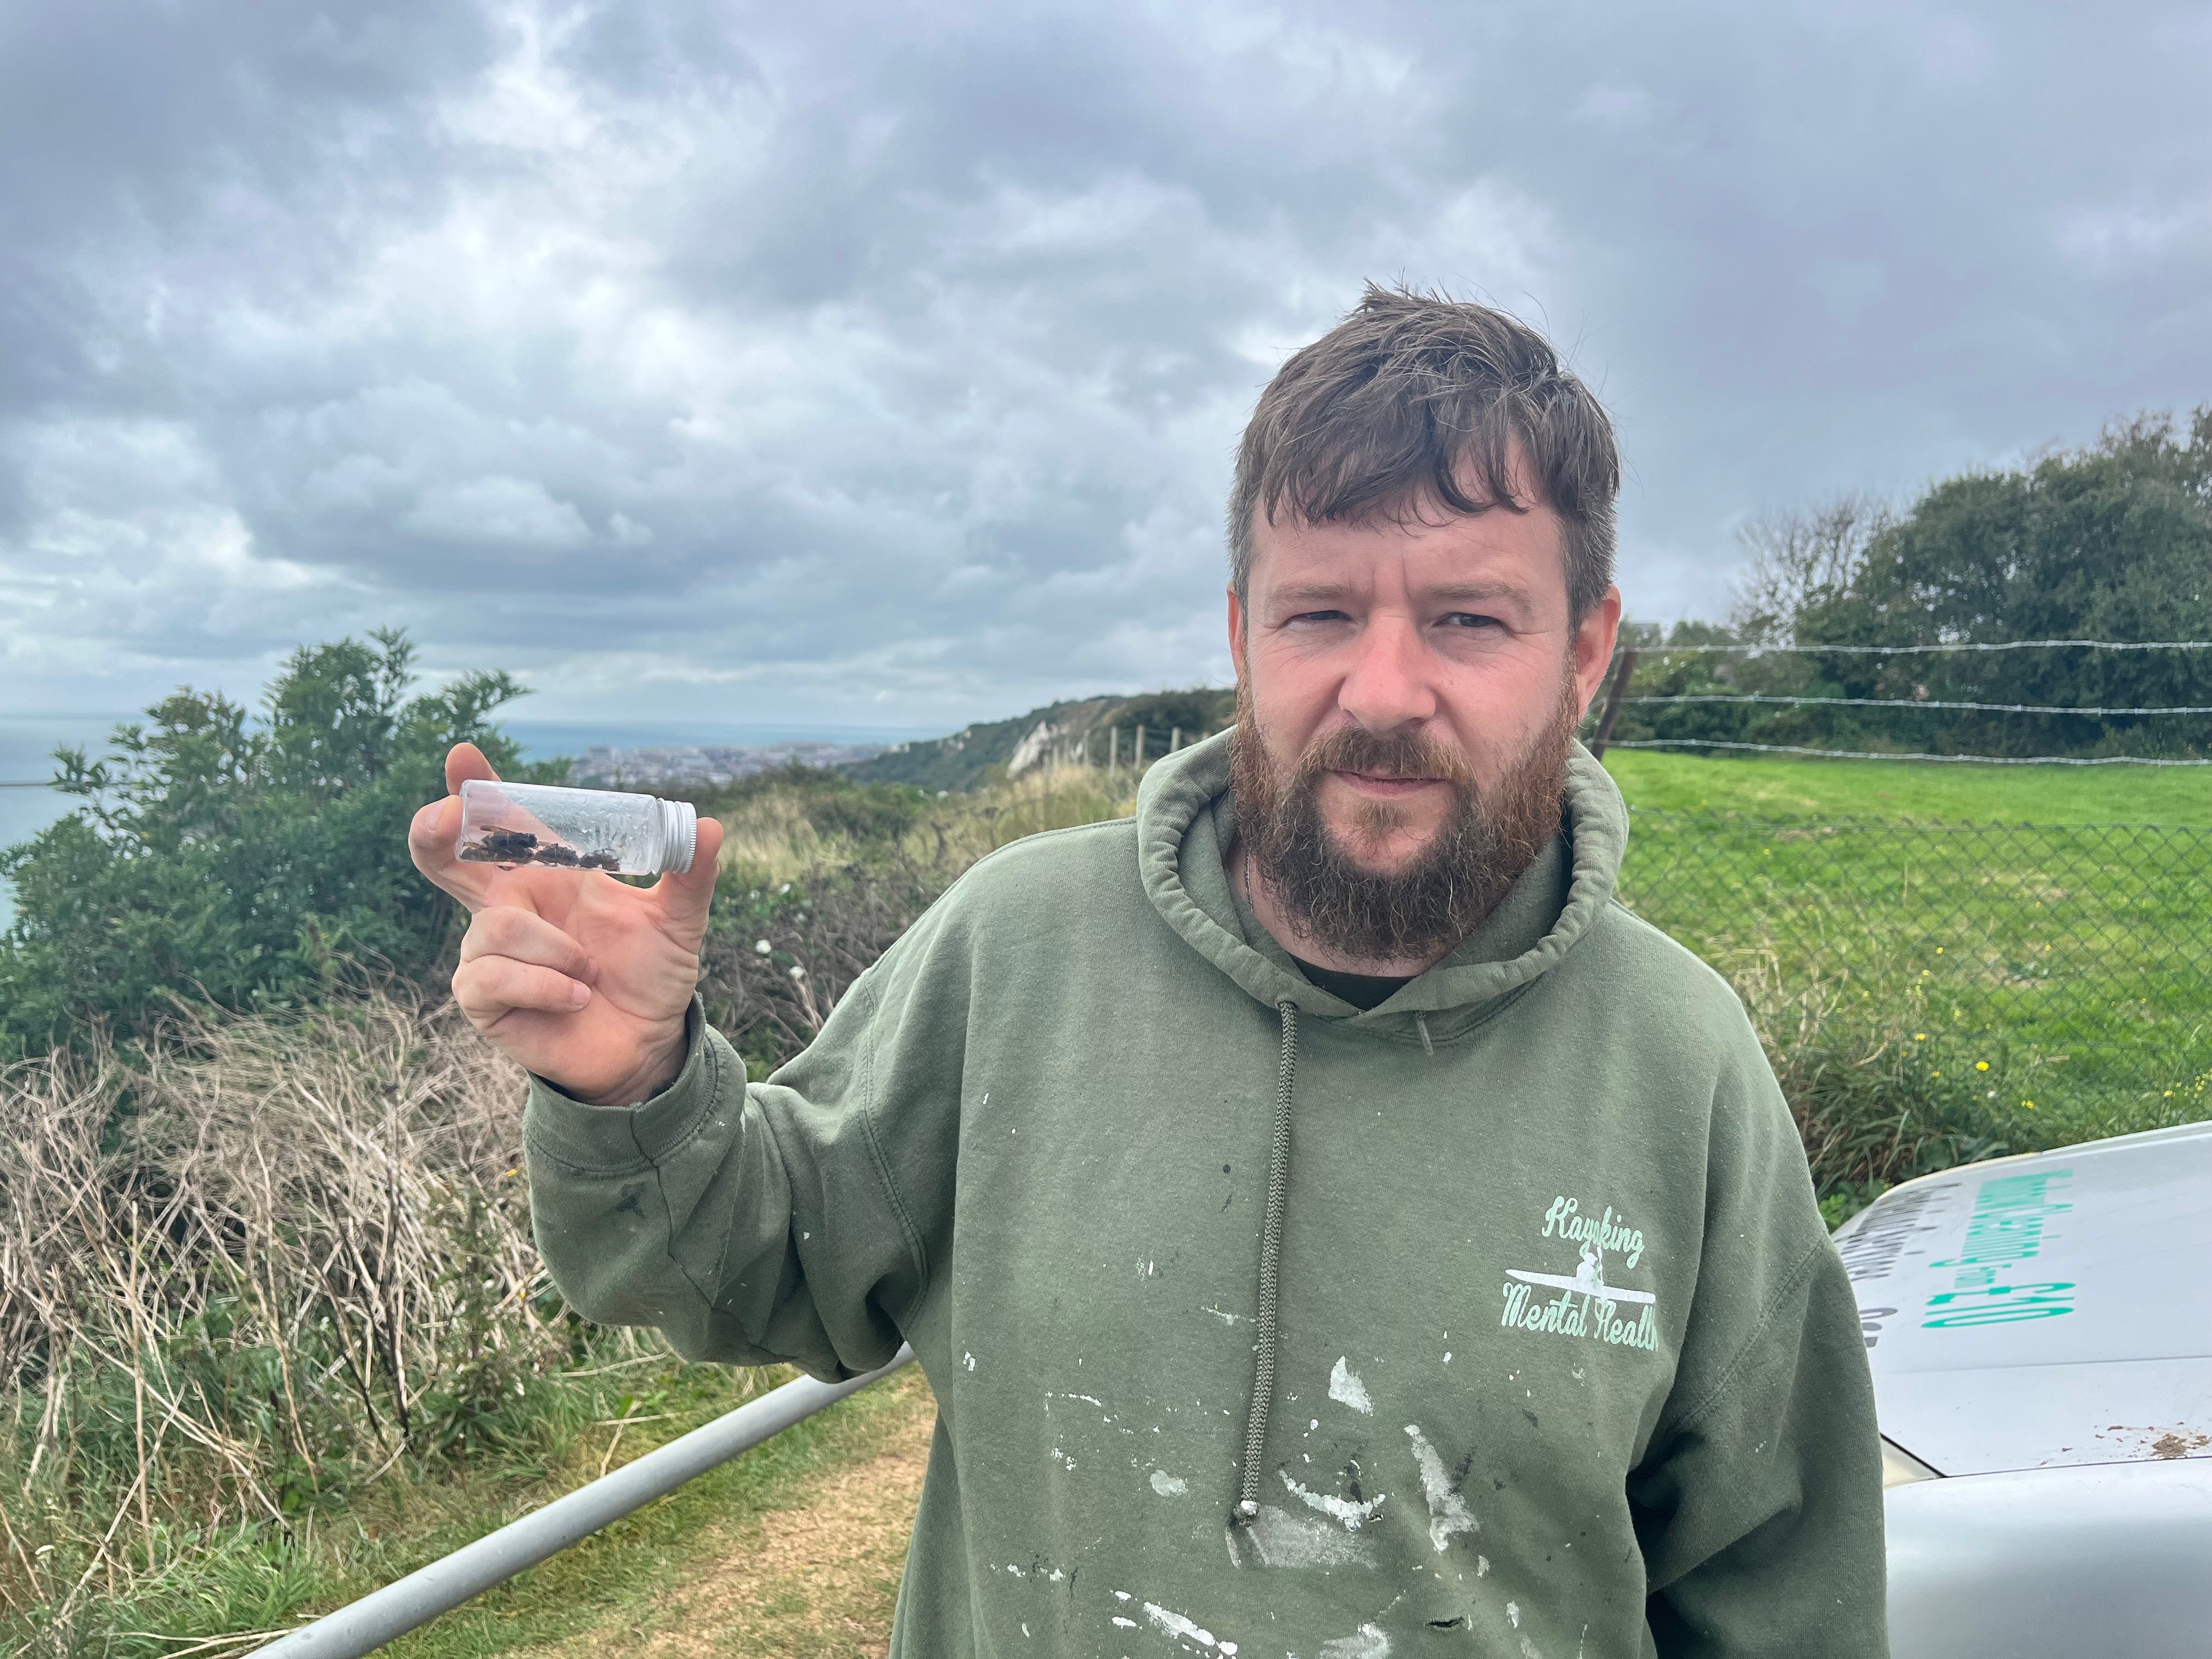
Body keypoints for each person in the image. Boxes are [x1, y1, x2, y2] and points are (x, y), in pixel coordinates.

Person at [410, 285, 1886, 1657]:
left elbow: (1780, 1590)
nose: (1383, 689)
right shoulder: (1018, 949)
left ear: (1583, 654)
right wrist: (639, 1089)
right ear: (1244, 636)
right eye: (1320, 614)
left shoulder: (1682, 1064)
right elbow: (752, 1271)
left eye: (1468, 620)